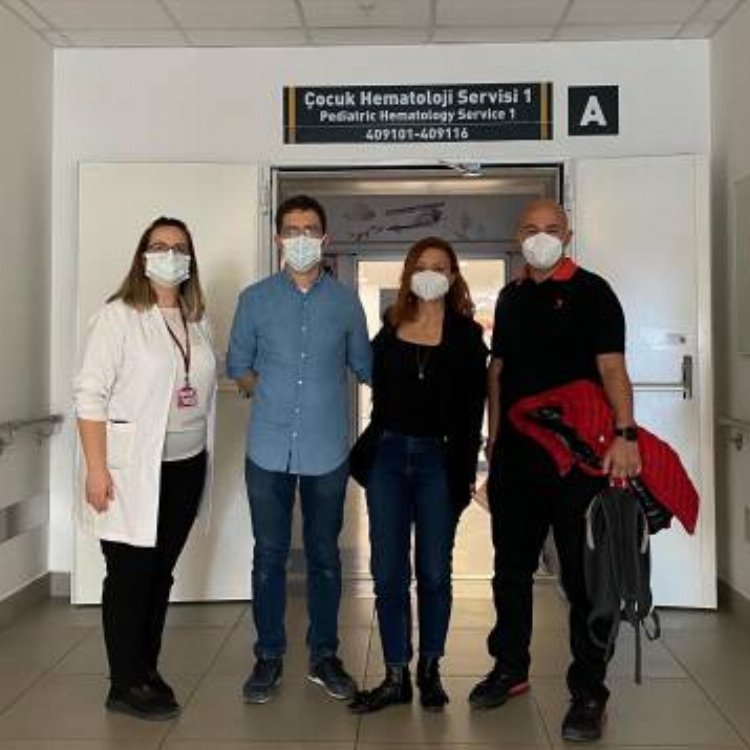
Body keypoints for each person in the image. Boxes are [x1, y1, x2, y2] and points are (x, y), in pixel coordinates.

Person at [469, 199, 641, 743]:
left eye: (551, 229)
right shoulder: (512, 297)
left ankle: (589, 690)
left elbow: (612, 368)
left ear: (567, 236)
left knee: (583, 579)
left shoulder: (594, 292)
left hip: (579, 461)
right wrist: (494, 441)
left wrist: (626, 434)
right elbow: (498, 372)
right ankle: (510, 668)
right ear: (517, 236)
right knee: (510, 570)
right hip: (517, 460)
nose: (540, 237)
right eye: (530, 229)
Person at [227, 194, 372, 704]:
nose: (302, 238)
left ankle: (324, 655)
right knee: (268, 555)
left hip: (327, 449)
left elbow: (365, 367)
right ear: (278, 239)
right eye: (293, 229)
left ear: (325, 239)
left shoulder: (346, 303)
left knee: (324, 556)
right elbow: (239, 366)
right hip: (267, 449)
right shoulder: (254, 300)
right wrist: (270, 393)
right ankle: (268, 655)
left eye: (311, 229)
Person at [75, 216, 217, 720]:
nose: (170, 255)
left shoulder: (196, 319)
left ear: (190, 260)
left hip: (185, 466)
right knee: (129, 576)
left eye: (180, 247)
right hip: (131, 470)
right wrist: (96, 470)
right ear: (142, 256)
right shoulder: (117, 316)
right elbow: (89, 396)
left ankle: (146, 670)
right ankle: (123, 683)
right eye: (160, 246)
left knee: (159, 575)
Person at [349, 237, 487, 714]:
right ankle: (395, 675)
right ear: (409, 273)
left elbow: (473, 411)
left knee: (433, 570)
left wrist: (463, 477)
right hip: (388, 456)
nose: (430, 274)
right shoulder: (390, 328)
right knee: (388, 570)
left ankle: (430, 669)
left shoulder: (467, 337)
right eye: (422, 266)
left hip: (438, 462)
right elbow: (370, 382)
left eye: (440, 267)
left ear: (453, 276)